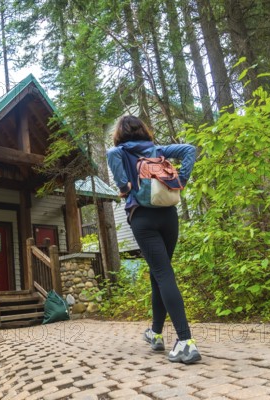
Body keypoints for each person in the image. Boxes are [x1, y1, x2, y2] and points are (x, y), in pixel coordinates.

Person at [106, 115, 201, 364]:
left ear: (121, 134)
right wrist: (182, 179)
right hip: (169, 215)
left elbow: (115, 166)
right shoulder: (157, 150)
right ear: (143, 130)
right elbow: (189, 150)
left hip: (143, 218)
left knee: (163, 273)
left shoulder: (119, 151)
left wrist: (125, 188)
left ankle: (185, 341)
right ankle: (156, 333)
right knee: (158, 273)